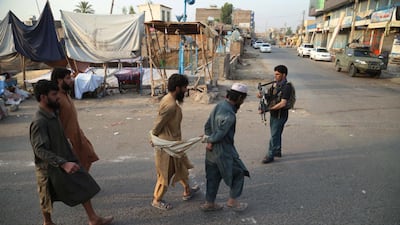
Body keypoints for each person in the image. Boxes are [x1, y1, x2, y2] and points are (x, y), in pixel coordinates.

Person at [29, 80, 113, 225]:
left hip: (66, 159)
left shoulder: (53, 112)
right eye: (54, 94)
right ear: (43, 97)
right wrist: (63, 163)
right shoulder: (40, 121)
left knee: (83, 183)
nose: (58, 97)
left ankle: (93, 218)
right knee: (47, 196)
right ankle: (47, 222)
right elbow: (40, 149)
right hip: (49, 167)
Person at [150, 74, 199, 210]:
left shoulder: (169, 99)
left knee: (182, 167)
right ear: (177, 88)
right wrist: (153, 137)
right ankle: (157, 199)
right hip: (167, 146)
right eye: (184, 88)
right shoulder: (170, 105)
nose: (186, 90)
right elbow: (158, 123)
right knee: (165, 174)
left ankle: (188, 190)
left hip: (175, 144)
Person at [201, 83, 250, 212]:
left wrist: (208, 140)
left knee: (212, 176)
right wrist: (211, 139)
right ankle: (233, 202)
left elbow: (207, 126)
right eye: (243, 99)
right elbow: (220, 134)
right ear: (239, 98)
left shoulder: (219, 105)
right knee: (239, 172)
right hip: (223, 152)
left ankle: (209, 203)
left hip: (211, 151)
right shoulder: (230, 115)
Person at [51, 68, 99, 171]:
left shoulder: (66, 94)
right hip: (67, 139)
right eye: (68, 78)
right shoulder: (56, 98)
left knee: (88, 156)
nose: (71, 81)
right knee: (74, 166)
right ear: (59, 80)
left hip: (77, 135)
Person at [257, 65, 292, 164]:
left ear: (284, 75)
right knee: (276, 133)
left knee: (274, 135)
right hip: (274, 114)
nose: (275, 76)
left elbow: (283, 103)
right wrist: (261, 95)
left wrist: (267, 109)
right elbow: (270, 96)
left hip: (280, 115)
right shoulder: (275, 85)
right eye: (275, 74)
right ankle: (277, 151)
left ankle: (270, 155)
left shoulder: (287, 87)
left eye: (278, 74)